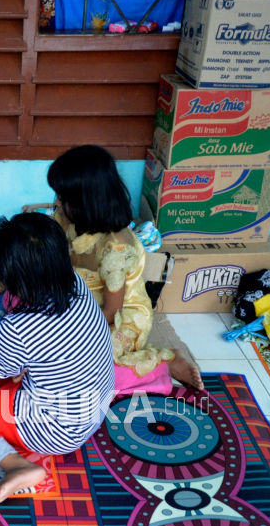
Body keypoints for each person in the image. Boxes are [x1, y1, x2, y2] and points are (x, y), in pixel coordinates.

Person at [0, 214, 116, 508]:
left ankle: (16, 464)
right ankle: (13, 395)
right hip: (93, 410)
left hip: (53, 430)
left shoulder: (18, 330)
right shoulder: (77, 285)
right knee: (6, 377)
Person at [44, 145, 202, 392]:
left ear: (87, 201)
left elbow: (109, 312)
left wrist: (69, 334)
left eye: (62, 198)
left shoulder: (116, 249)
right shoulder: (69, 219)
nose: (56, 203)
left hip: (118, 317)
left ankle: (165, 360)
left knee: (82, 367)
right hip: (82, 299)